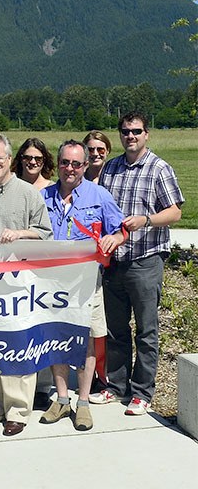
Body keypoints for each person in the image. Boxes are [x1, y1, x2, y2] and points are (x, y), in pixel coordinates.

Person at [97, 112, 184, 414]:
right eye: (125, 131)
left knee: (146, 330)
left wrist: (146, 220)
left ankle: (142, 392)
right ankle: (116, 385)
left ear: (147, 134)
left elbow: (175, 212)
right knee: (115, 329)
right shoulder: (111, 168)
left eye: (136, 131)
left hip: (145, 260)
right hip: (115, 261)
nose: (130, 136)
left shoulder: (159, 169)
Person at [0, 133, 53, 437]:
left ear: (9, 159)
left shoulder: (28, 193)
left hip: (18, 288)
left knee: (17, 347)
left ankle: (17, 410)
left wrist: (20, 233)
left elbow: (45, 234)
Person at [39, 140, 126, 431]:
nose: (70, 169)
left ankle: (84, 402)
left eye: (77, 164)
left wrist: (115, 239)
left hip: (87, 282)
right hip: (51, 283)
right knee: (56, 339)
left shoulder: (99, 195)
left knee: (87, 340)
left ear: (85, 166)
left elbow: (120, 229)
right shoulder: (43, 196)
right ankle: (62, 398)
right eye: (65, 162)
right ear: (58, 163)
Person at [11, 137, 56, 410]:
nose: (32, 162)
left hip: (43, 269)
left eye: (38, 158)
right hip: (14, 269)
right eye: (28, 157)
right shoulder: (10, 188)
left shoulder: (51, 190)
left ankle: (42, 386)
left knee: (43, 327)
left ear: (44, 161)